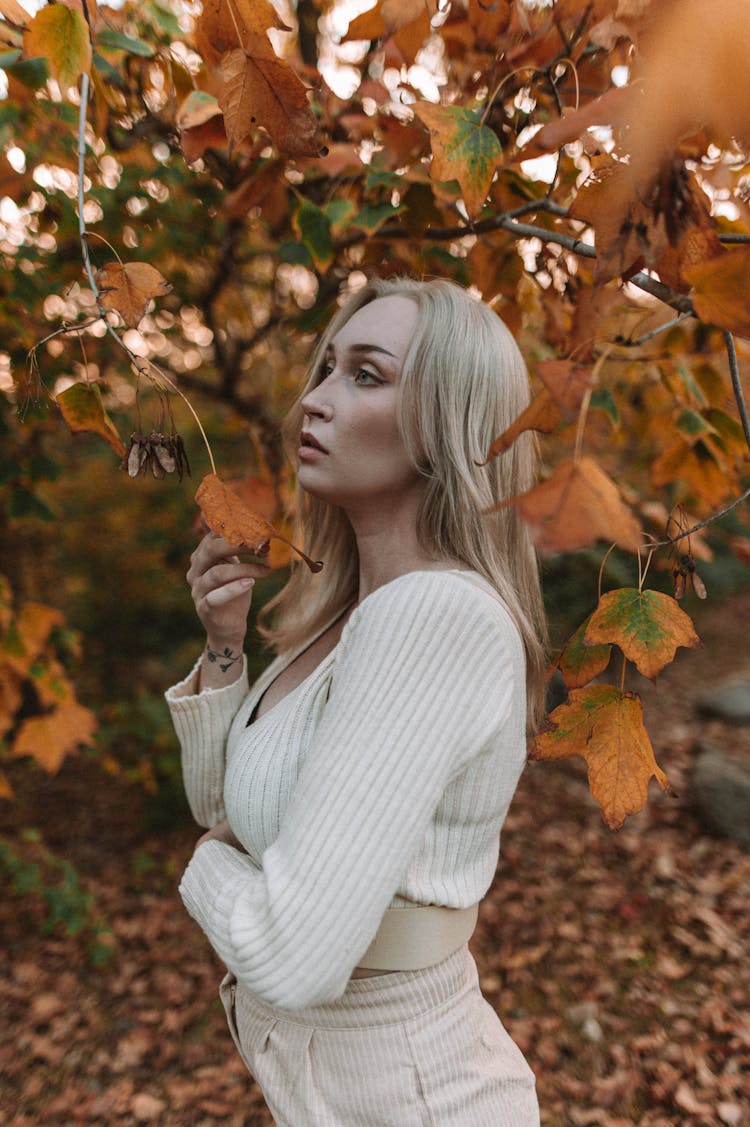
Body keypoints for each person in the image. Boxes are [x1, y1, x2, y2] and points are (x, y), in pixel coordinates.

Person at [165, 276, 547, 1125]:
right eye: (325, 367)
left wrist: (200, 866)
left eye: (365, 375)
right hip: (321, 1085)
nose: (314, 398)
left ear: (448, 421)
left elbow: (291, 953)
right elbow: (230, 804)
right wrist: (225, 645)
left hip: (415, 1095)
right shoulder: (344, 617)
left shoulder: (432, 616)